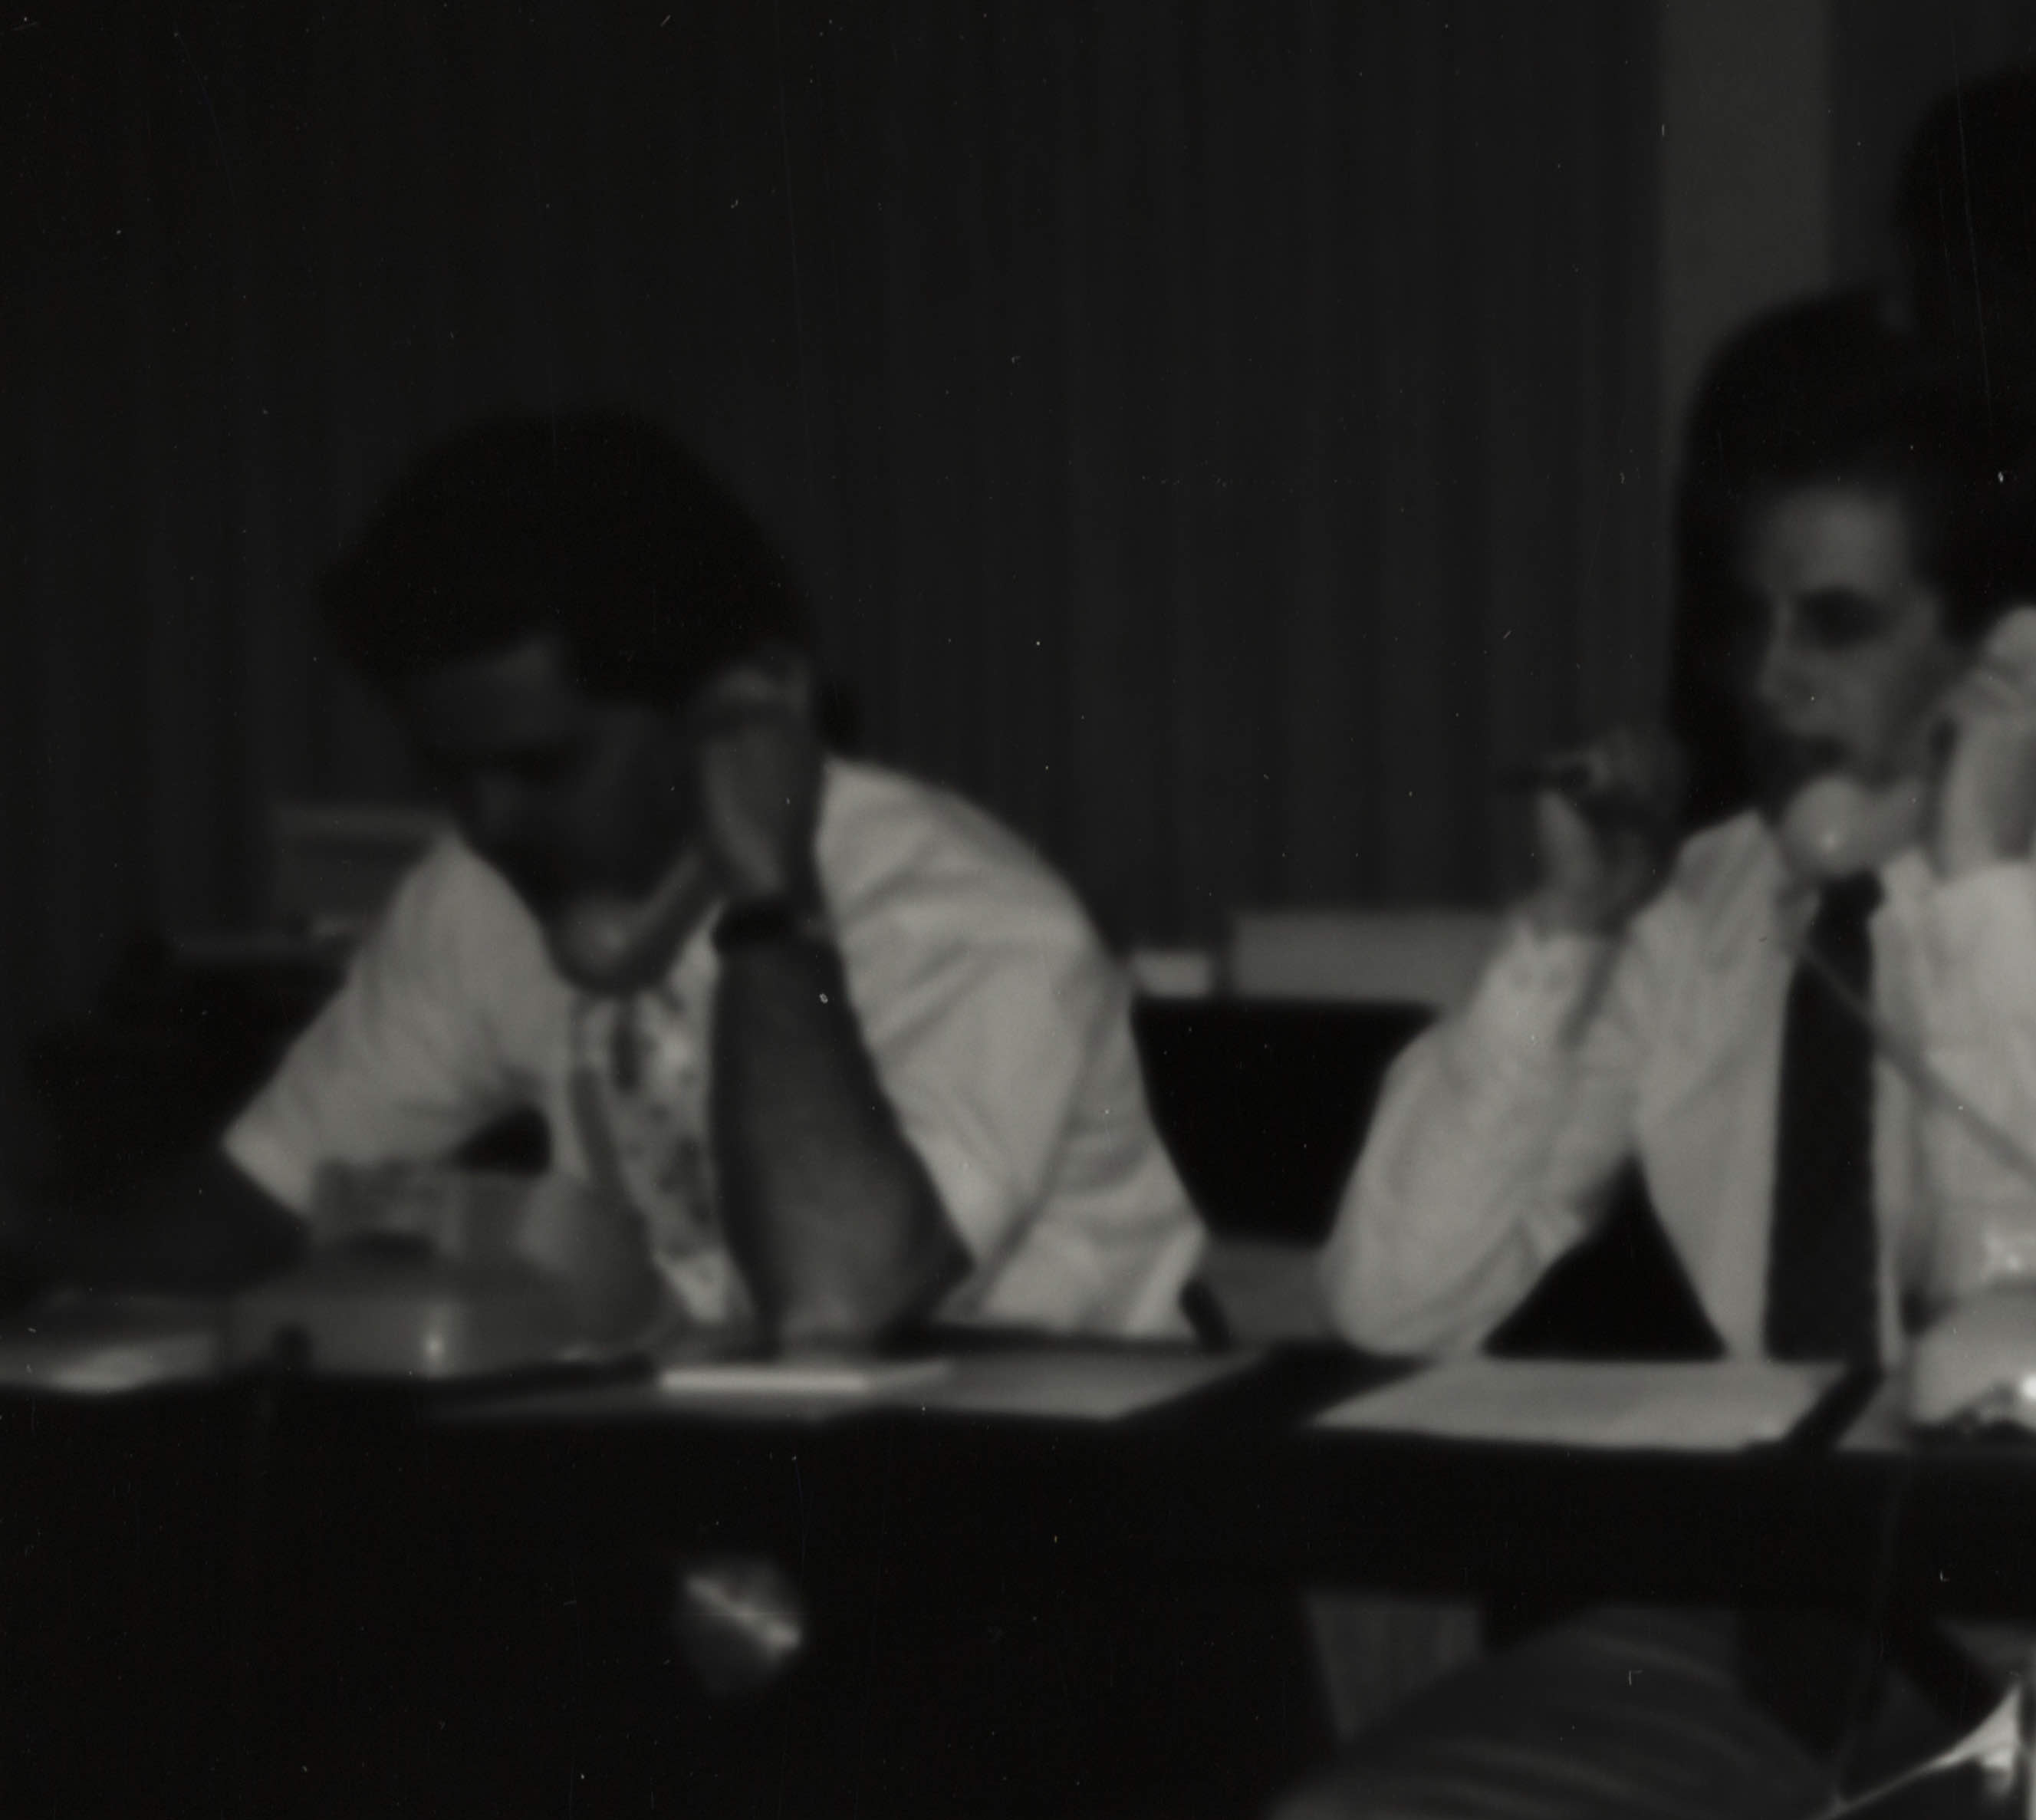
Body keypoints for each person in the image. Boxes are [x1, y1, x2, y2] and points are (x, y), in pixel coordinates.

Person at [1285, 370, 2036, 1820]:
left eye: (1834, 624)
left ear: (2000, 651)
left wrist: (1973, 882)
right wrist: (1564, 939)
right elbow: (1392, 1294)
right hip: (1775, 1629)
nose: (1767, 678)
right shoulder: (1701, 909)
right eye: (1748, 621)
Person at [53, 412, 1199, 1344]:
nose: (488, 822)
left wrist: (767, 904)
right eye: (450, 772)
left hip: (1046, 1519)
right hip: (706, 1491)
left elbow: (835, 1297)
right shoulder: (476, 899)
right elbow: (261, 1198)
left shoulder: (974, 924)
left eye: (543, 766)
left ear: (748, 700)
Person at [1667, 68, 2036, 818]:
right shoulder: (1777, 386)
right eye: (1992, 284)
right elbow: (1718, 677)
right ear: (1922, 249)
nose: (2018, 330)